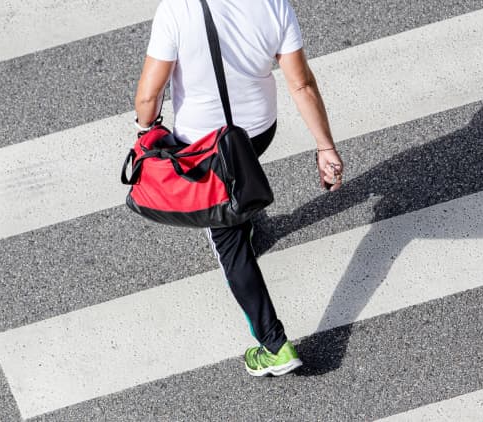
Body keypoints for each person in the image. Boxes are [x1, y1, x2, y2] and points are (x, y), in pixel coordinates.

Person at [134, 0, 343, 376]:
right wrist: (325, 146)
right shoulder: (273, 3)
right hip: (258, 132)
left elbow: (150, 95)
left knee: (228, 244)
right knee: (241, 172)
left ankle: (274, 345)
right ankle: (248, 215)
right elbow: (301, 83)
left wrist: (145, 127)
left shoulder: (176, 10)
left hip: (203, 149)